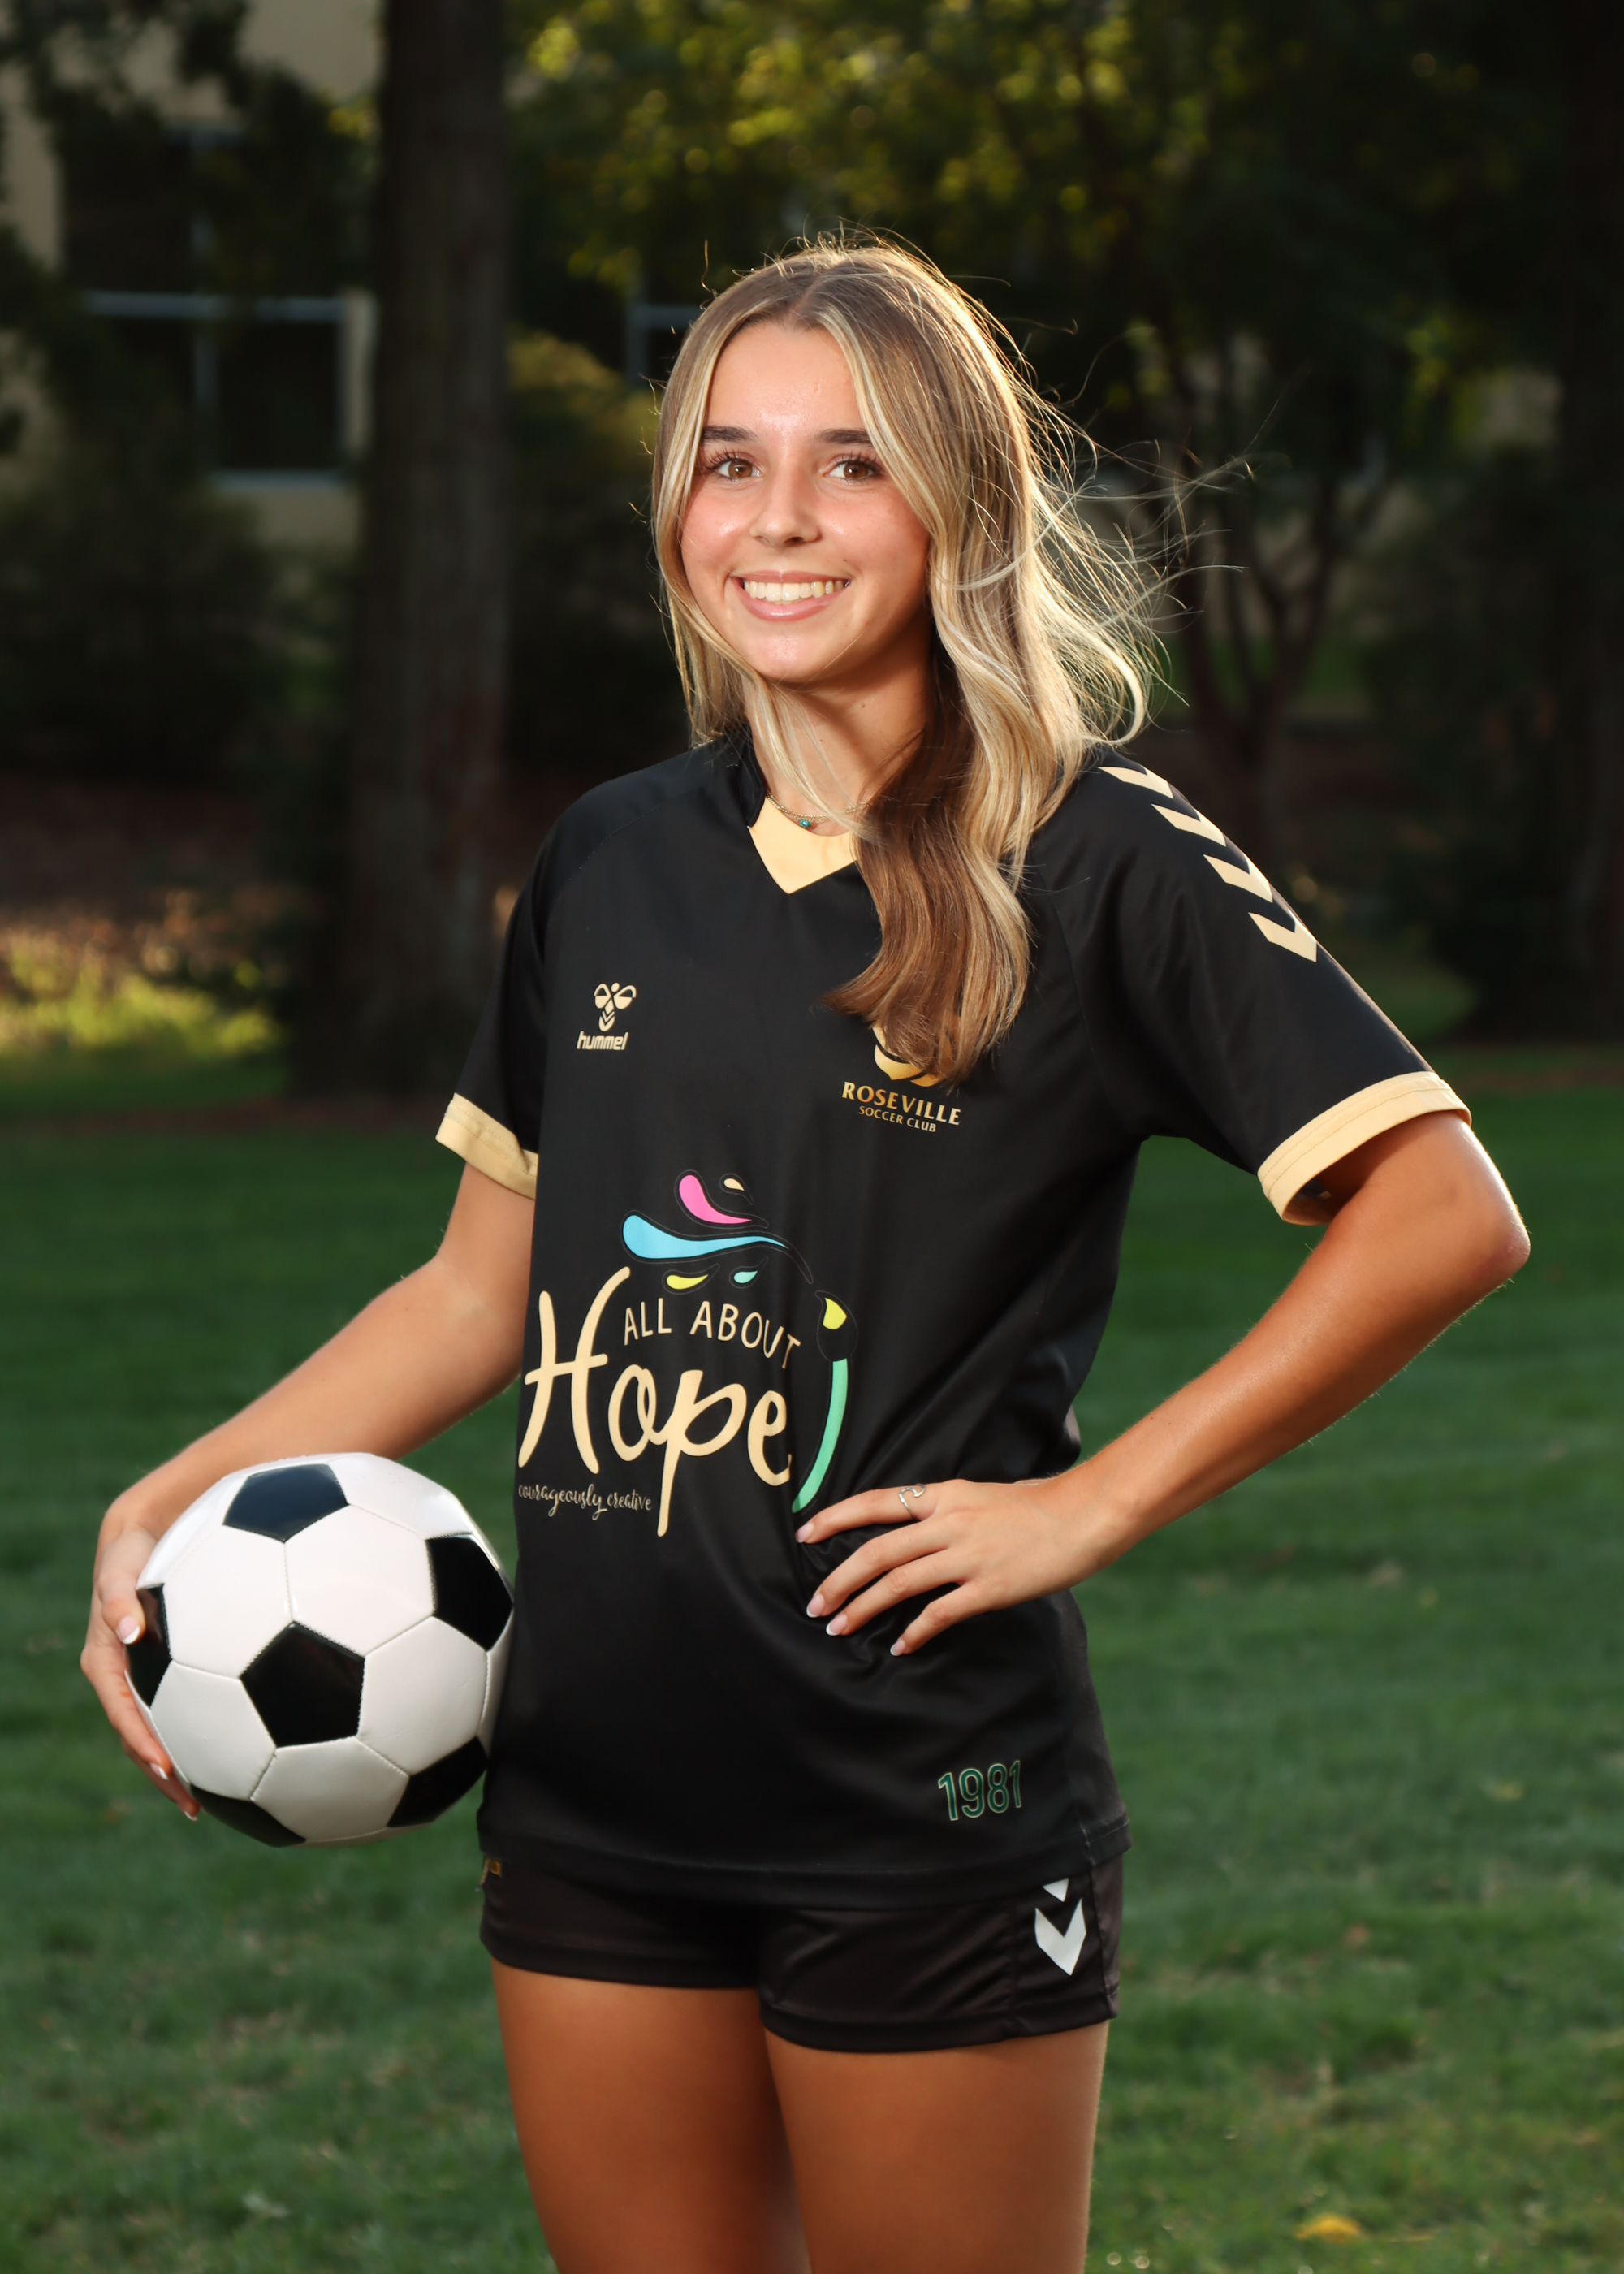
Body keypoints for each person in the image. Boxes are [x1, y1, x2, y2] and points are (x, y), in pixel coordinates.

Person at [83, 240, 1528, 2274]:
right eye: (727, 460)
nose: (775, 517)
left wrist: (1091, 1500)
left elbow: (1444, 1209)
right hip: (590, 1789)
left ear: (958, 505)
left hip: (915, 1796)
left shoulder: (1096, 852)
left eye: (851, 464)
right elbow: (476, 1295)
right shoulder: (609, 856)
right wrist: (175, 1492)